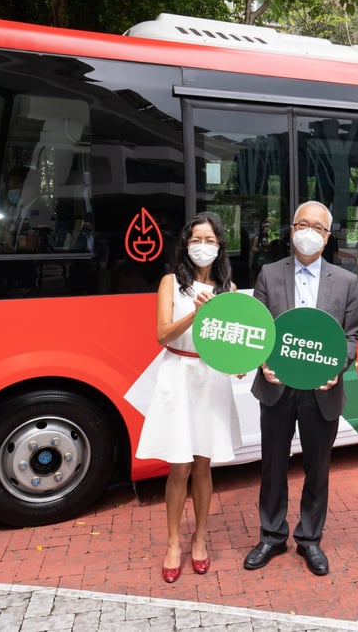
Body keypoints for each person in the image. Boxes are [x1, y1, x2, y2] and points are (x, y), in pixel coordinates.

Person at [244, 201, 358, 577]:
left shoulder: (345, 281)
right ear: (292, 229)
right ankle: (271, 535)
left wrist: (337, 366)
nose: (309, 233)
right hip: (277, 386)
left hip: (321, 390)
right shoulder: (269, 273)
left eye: (318, 227)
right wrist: (262, 362)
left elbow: (354, 335)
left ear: (327, 237)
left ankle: (310, 538)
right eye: (303, 225)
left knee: (318, 468)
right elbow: (257, 328)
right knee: (273, 465)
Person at [135, 212, 241, 583]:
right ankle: (172, 543)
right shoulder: (171, 282)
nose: (203, 246)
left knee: (202, 465)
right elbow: (162, 334)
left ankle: (199, 539)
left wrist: (238, 364)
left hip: (210, 378)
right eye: (197, 240)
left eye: (210, 240)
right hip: (178, 374)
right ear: (186, 244)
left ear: (220, 246)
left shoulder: (228, 289)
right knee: (179, 466)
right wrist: (195, 315)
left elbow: (233, 340)